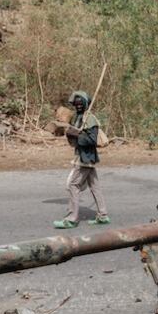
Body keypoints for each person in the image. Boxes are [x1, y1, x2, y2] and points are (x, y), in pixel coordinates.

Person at [54, 90, 110, 229]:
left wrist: (78, 134)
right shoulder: (79, 117)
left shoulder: (90, 119)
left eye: (80, 103)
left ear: (85, 104)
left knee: (73, 185)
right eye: (76, 103)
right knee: (95, 186)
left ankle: (71, 218)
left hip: (86, 158)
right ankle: (103, 215)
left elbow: (91, 139)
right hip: (82, 155)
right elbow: (74, 137)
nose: (78, 105)